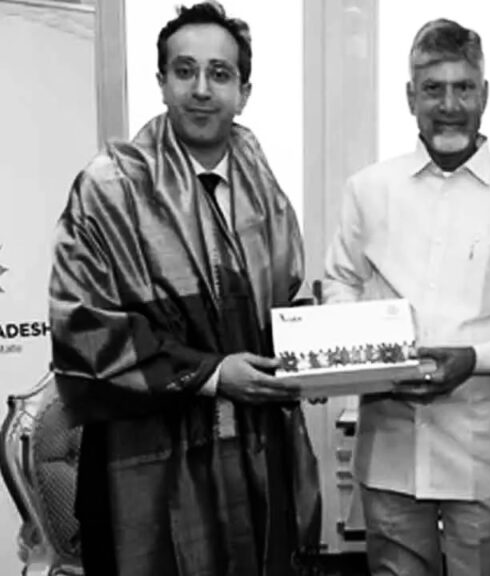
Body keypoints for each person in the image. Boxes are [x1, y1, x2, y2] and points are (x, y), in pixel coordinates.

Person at [48, 3, 321, 574]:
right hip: (140, 459)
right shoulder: (108, 189)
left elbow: (277, 309)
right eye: (184, 71)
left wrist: (312, 360)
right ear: (162, 83)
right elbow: (84, 328)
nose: (201, 89)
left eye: (219, 74)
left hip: (253, 452)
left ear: (243, 92)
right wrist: (214, 374)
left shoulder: (263, 191)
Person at [321, 17, 490, 576]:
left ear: (484, 95)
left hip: (483, 455)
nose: (449, 105)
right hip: (391, 449)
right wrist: (368, 349)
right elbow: (338, 283)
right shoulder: (368, 190)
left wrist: (474, 359)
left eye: (463, 88)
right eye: (433, 89)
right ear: (411, 97)